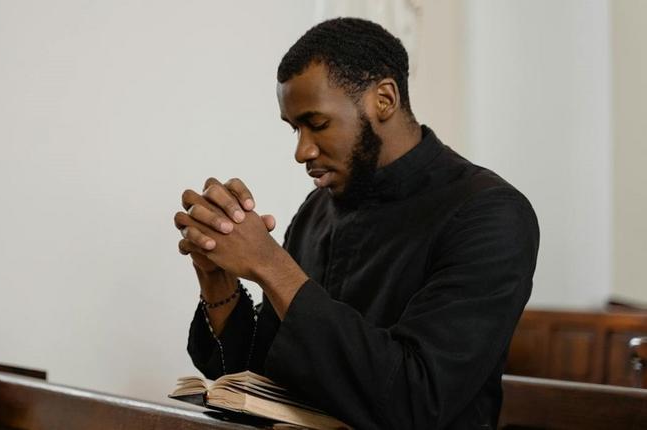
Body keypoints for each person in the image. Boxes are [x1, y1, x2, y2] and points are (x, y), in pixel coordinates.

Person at [173, 17, 539, 430]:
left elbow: (415, 400)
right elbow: (265, 379)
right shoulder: (315, 212)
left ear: (383, 99)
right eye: (294, 128)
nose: (301, 150)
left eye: (317, 123)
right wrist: (218, 282)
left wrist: (272, 266)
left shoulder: (490, 214)